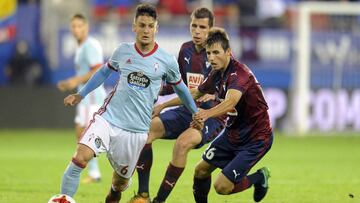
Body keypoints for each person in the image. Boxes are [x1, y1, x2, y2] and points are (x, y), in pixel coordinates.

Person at [58, 4, 199, 203]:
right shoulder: (122, 51)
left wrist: (195, 113)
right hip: (108, 120)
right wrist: (80, 95)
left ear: (156, 28)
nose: (146, 30)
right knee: (80, 158)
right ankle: (63, 199)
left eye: (150, 26)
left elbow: (182, 89)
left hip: (137, 132)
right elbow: (103, 72)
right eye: (142, 25)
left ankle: (114, 193)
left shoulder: (166, 60)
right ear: (134, 26)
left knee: (120, 185)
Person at [128, 7, 226, 203]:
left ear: (211, 29)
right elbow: (177, 84)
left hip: (211, 116)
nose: (197, 31)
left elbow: (223, 91)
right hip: (187, 110)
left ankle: (160, 200)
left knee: (182, 144)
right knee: (146, 131)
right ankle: (143, 195)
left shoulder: (219, 55)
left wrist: (164, 106)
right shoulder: (186, 49)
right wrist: (156, 91)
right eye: (194, 26)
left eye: (203, 27)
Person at [191, 28, 273, 203]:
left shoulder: (240, 74)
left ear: (228, 52)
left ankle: (259, 178)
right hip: (233, 134)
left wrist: (206, 114)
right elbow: (194, 94)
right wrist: (162, 105)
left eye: (216, 53)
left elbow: (230, 102)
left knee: (222, 187)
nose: (211, 58)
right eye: (208, 53)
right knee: (200, 170)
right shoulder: (217, 73)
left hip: (256, 138)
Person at [57, 13, 106, 183]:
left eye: (79, 26)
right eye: (73, 26)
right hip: (84, 98)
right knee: (81, 134)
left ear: (86, 27)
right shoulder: (81, 46)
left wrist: (74, 81)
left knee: (85, 135)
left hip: (92, 98)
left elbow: (97, 70)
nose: (76, 29)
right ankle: (94, 172)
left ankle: (94, 172)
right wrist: (73, 83)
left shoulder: (90, 45)